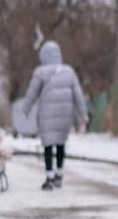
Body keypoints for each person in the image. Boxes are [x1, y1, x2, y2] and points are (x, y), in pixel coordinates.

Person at [22, 41, 88, 191]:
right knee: (60, 144)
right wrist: (83, 113)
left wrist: (25, 109)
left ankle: (49, 177)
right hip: (65, 114)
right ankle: (59, 174)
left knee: (48, 145)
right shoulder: (69, 71)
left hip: (47, 115)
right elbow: (78, 94)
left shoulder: (40, 72)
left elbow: (32, 93)